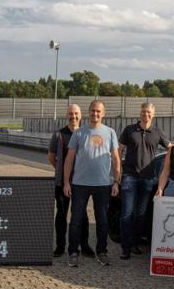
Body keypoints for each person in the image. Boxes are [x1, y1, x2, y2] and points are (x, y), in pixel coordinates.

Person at [63, 100, 121, 268]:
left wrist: (116, 181)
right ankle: (73, 252)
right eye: (93, 111)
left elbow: (116, 159)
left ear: (103, 113)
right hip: (79, 184)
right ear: (88, 112)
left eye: (98, 111)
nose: (95, 114)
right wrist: (67, 182)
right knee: (75, 220)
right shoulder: (79, 133)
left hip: (103, 185)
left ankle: (101, 252)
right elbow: (69, 159)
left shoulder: (110, 133)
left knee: (102, 220)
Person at [118, 102, 172, 260]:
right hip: (129, 176)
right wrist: (119, 170)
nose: (146, 114)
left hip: (148, 178)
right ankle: (125, 247)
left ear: (153, 114)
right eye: (143, 111)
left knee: (140, 214)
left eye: (148, 112)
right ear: (140, 113)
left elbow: (170, 147)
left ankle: (134, 243)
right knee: (127, 213)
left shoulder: (157, 132)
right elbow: (119, 149)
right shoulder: (129, 130)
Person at [47, 104, 94, 257]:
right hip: (62, 183)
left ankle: (84, 245)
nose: (73, 116)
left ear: (81, 115)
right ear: (66, 115)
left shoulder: (86, 133)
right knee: (61, 214)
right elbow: (51, 157)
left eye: (76, 113)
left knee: (82, 215)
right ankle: (60, 246)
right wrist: (61, 171)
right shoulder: (59, 134)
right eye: (70, 114)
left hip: (82, 182)